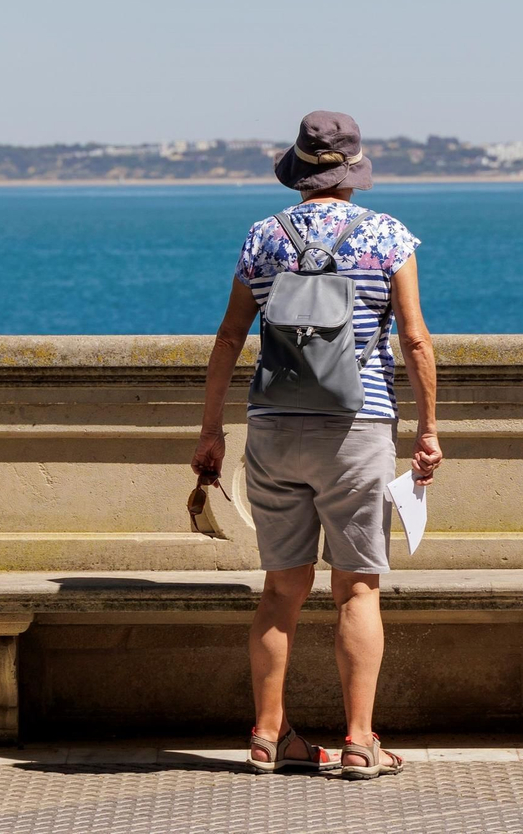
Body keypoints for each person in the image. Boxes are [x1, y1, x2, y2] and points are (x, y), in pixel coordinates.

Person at [191, 110, 443, 780]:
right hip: (356, 430)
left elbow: (227, 337)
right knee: (358, 588)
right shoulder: (389, 236)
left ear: (300, 170)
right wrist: (429, 431)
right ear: (353, 172)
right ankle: (360, 740)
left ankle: (269, 736)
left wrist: (212, 430)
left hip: (274, 426)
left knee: (280, 589)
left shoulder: (263, 238)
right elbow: (414, 339)